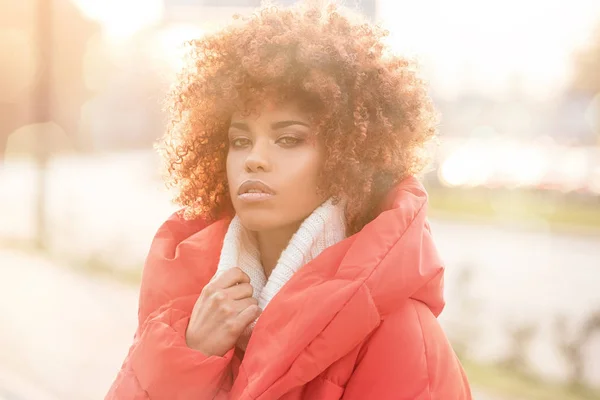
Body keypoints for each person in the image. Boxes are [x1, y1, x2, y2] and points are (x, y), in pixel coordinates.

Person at [106, 2, 472, 399]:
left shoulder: (403, 334)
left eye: (289, 139)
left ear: (346, 155)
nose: (254, 159)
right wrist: (188, 357)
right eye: (239, 141)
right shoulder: (189, 303)